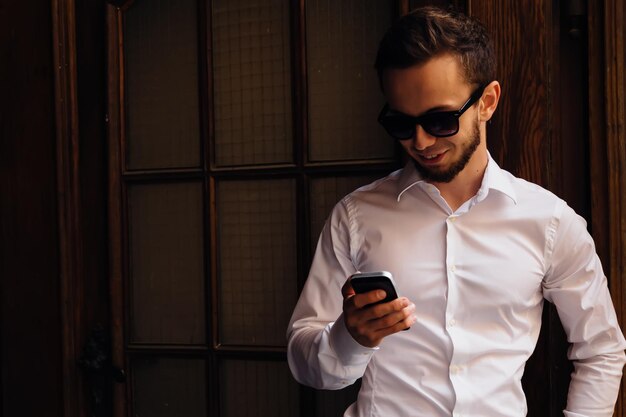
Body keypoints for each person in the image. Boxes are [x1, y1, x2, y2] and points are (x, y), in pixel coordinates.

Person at [286, 6, 626, 417]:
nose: (421, 140)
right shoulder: (356, 216)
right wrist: (349, 338)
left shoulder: (550, 222)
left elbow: (602, 350)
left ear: (487, 102)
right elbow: (306, 365)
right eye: (401, 124)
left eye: (441, 119)